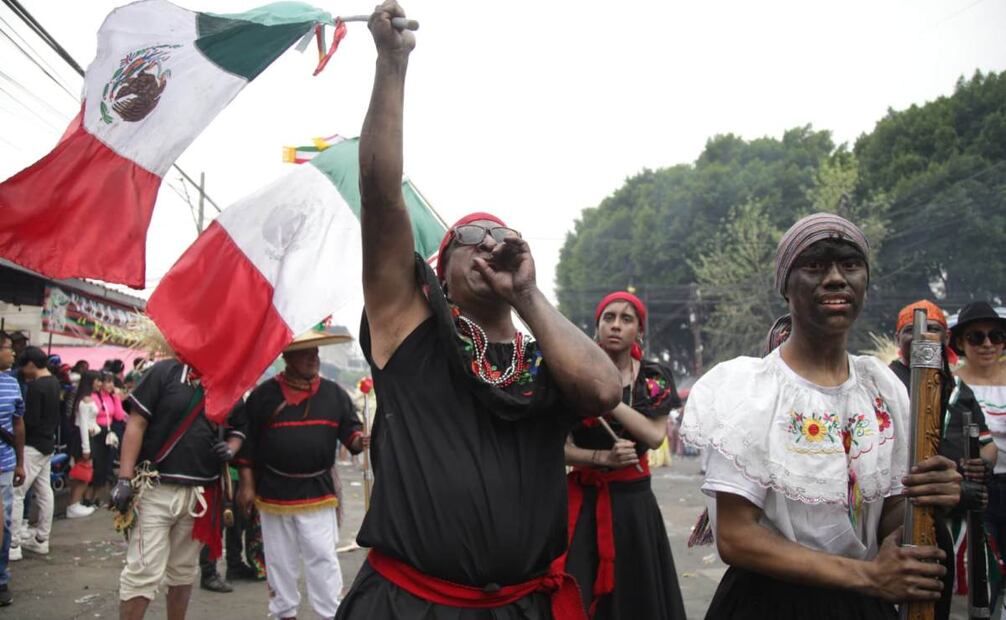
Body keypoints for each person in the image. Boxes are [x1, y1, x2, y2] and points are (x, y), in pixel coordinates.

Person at [335, 3, 622, 618]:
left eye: (502, 237)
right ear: (441, 269)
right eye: (474, 238)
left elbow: (602, 390)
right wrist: (391, 65)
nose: (491, 245)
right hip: (411, 605)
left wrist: (526, 296)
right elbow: (382, 195)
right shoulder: (406, 330)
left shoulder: (541, 363)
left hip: (522, 607)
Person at [682, 213, 962, 618]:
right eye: (814, 266)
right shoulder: (750, 389)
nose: (835, 278)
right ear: (785, 286)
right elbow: (737, 537)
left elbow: (890, 517)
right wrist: (869, 577)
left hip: (864, 606)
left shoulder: (882, 389)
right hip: (770, 606)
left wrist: (932, 498)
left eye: (850, 265)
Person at [561, 291, 686, 618]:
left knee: (637, 595)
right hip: (586, 501)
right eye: (609, 318)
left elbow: (656, 436)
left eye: (626, 319)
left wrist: (608, 394)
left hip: (635, 506)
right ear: (597, 325)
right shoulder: (572, 373)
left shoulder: (652, 377)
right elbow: (559, 448)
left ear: (638, 330)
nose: (616, 325)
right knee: (580, 590)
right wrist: (601, 459)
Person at [236, 342, 367, 619]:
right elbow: (247, 445)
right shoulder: (263, 396)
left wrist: (359, 439)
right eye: (306, 353)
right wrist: (246, 485)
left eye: (315, 353)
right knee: (280, 561)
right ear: (287, 356)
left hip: (317, 491)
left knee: (323, 557)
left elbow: (351, 433)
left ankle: (330, 613)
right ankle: (284, 613)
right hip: (274, 493)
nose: (313, 359)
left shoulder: (334, 394)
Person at [112, 355, 245, 620]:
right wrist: (124, 478)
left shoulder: (228, 381)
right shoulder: (164, 372)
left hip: (202, 493)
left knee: (183, 570)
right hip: (156, 487)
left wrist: (230, 449)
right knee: (143, 570)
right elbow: (136, 423)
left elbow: (239, 428)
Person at [950, 301, 1006, 598]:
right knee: (984, 575)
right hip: (976, 488)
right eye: (976, 337)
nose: (987, 344)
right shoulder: (952, 384)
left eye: (995, 336)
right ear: (960, 342)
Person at [9, 346, 60, 561]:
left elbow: (30, 420)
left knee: (17, 492)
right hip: (47, 444)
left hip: (32, 446)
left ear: (31, 365)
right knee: (44, 491)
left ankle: (13, 544)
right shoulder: (54, 383)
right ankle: (41, 539)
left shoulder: (37, 387)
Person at [0, 333, 25, 606]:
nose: (14, 354)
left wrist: (20, 462)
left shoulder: (12, 383)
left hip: (5, 465)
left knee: (4, 525)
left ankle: (1, 579)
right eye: (9, 349)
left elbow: (18, 424)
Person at [67, 371, 101, 518]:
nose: (99, 384)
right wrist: (86, 448)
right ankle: (73, 504)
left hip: (88, 437)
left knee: (83, 473)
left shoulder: (86, 399)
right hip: (84, 440)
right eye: (97, 380)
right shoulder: (85, 401)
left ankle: (75, 503)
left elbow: (89, 422)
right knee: (83, 473)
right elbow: (83, 424)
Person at [88, 371, 126, 505]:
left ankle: (96, 498)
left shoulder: (111, 397)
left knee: (105, 466)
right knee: (96, 466)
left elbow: (120, 416)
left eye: (112, 382)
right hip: (95, 433)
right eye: (107, 382)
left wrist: (116, 398)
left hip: (108, 433)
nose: (110, 385)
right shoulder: (93, 397)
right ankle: (88, 498)